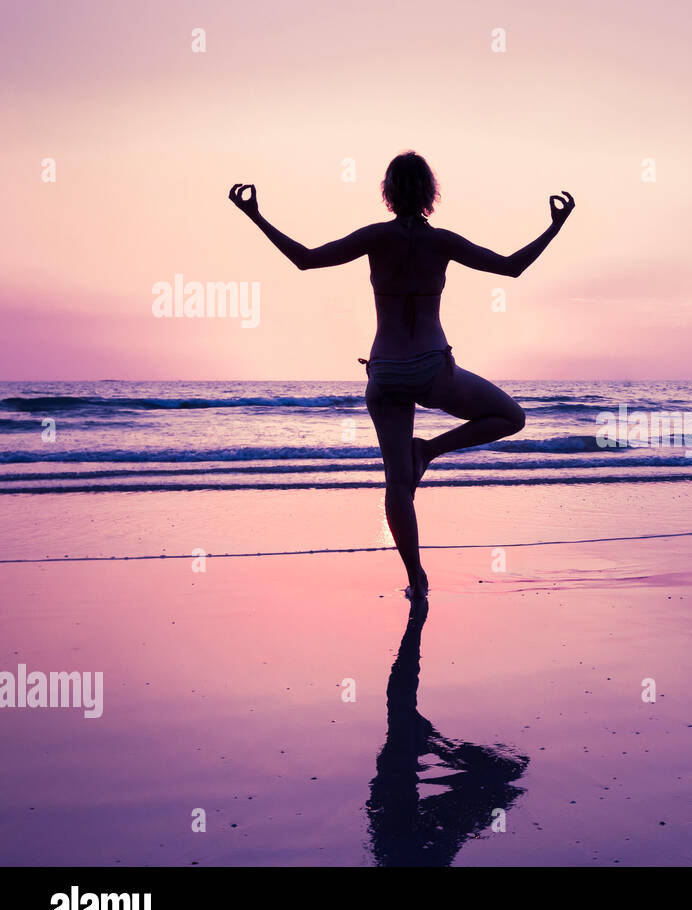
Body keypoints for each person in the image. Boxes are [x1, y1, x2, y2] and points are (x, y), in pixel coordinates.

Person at [229, 151, 574, 601]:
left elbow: (305, 259)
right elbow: (511, 266)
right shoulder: (443, 241)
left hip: (385, 371)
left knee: (396, 484)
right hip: (432, 366)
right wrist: (555, 226)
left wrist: (255, 215)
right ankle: (428, 449)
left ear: (388, 194)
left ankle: (416, 579)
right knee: (511, 417)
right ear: (431, 194)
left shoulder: (376, 237)